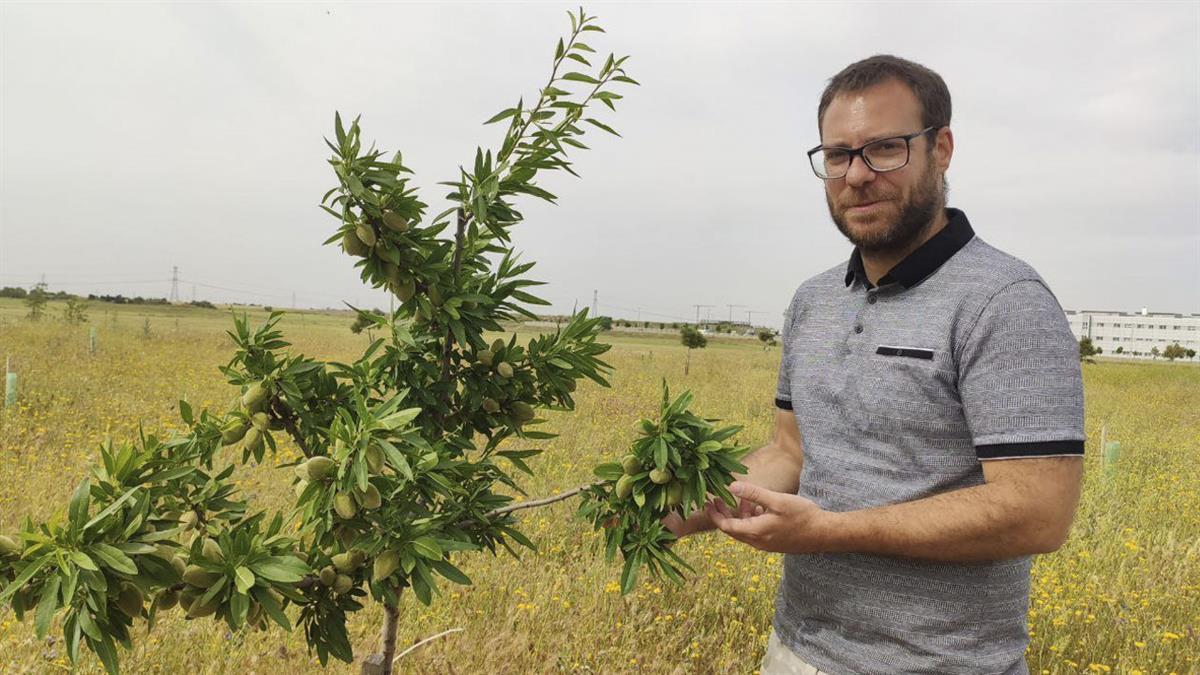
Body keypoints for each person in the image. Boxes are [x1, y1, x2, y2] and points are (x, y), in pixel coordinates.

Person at [663, 54, 1085, 675]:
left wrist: (830, 531)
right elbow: (790, 454)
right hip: (797, 651)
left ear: (941, 149)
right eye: (838, 155)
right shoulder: (813, 302)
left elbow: (1038, 511)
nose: (856, 175)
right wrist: (673, 506)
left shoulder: (1004, 302)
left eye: (884, 148)